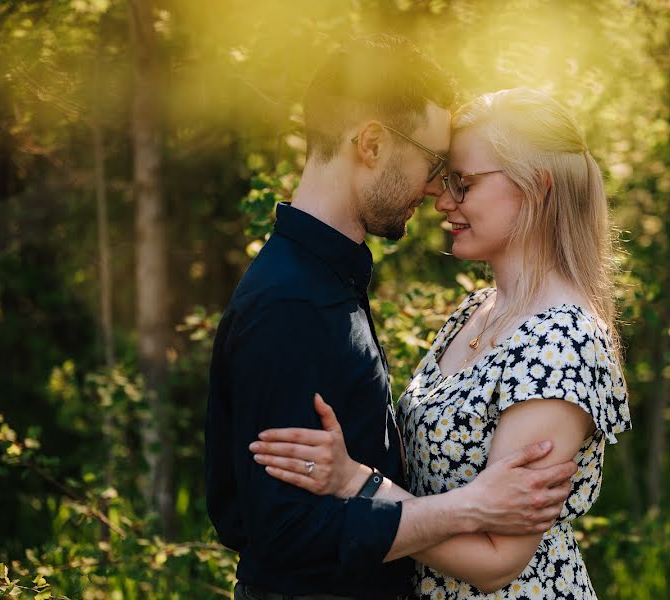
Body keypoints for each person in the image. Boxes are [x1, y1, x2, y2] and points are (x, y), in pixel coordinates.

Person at [205, 38, 578, 600]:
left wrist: (359, 480)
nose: (435, 190)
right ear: (373, 143)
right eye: (432, 164)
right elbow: (280, 532)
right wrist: (466, 507)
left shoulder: (329, 283)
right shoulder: (292, 303)